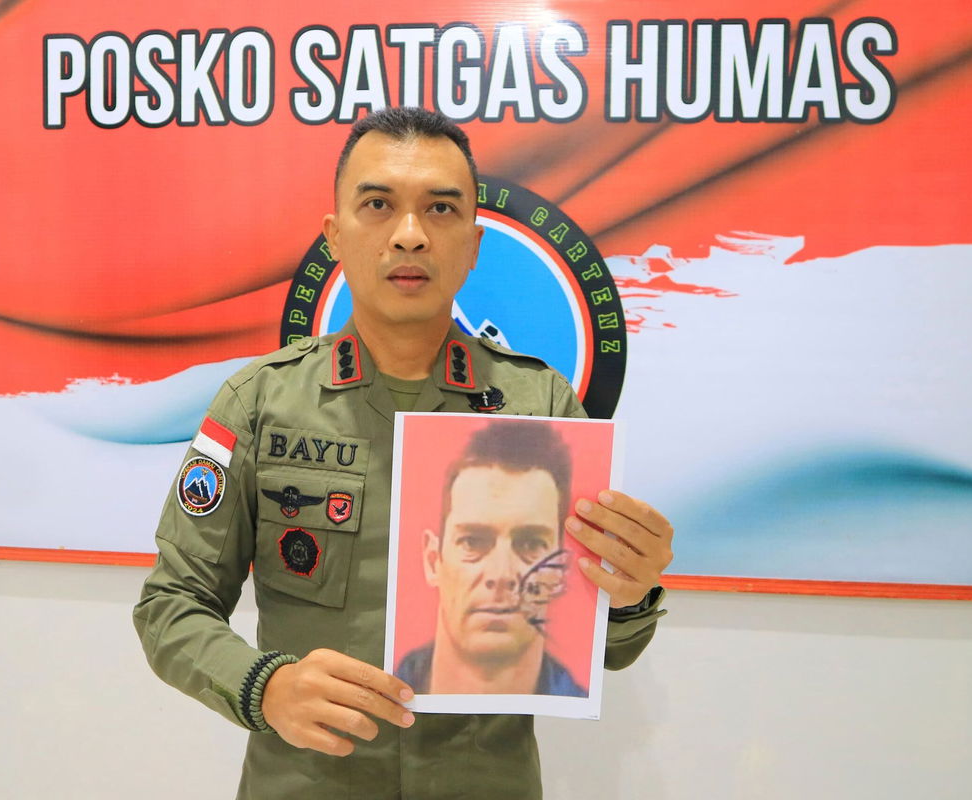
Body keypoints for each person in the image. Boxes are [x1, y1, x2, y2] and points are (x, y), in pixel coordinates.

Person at [133, 106, 674, 800]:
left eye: (441, 210)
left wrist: (628, 597)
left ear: (475, 244)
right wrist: (263, 687)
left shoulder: (541, 408)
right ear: (335, 235)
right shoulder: (260, 404)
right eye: (378, 205)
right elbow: (171, 605)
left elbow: (598, 650)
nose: (410, 235)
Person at [396, 419, 587, 697]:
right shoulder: (368, 692)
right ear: (432, 559)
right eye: (472, 542)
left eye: (531, 544)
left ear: (559, 568)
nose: (500, 575)